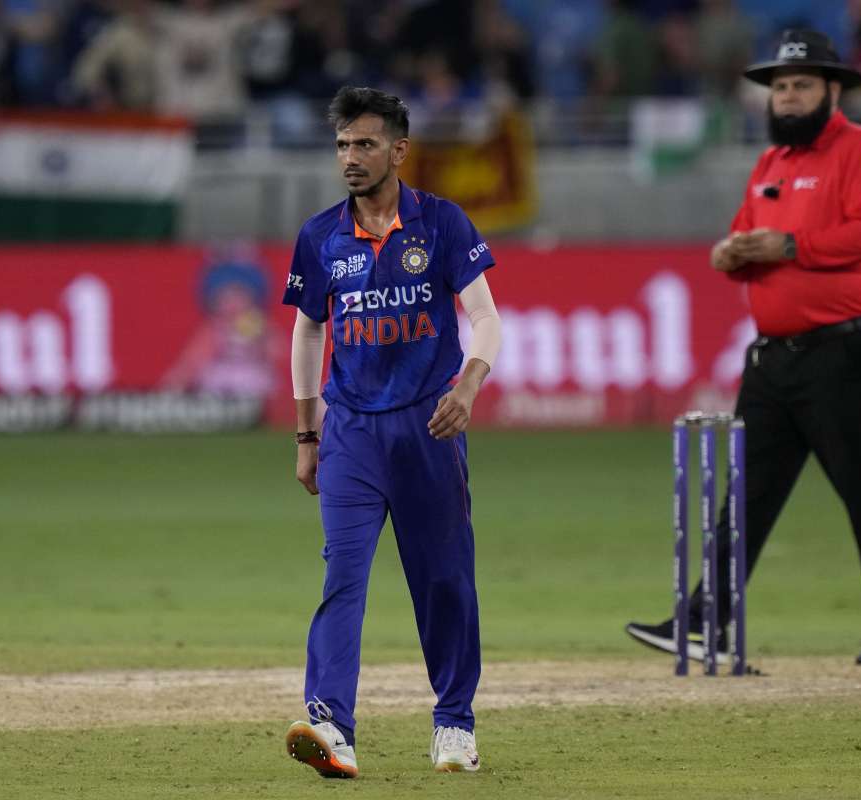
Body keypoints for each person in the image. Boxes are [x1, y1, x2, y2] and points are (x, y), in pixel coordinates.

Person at [626, 29, 861, 667]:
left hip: (841, 352)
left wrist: (790, 246)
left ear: (833, 91)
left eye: (802, 86)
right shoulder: (771, 163)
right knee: (746, 496)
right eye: (781, 87)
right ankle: (705, 623)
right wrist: (729, 254)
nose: (788, 97)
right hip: (772, 359)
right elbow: (745, 236)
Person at [282, 86, 502, 778]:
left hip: (428, 428)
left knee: (443, 581)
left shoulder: (441, 223)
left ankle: (454, 723)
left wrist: (468, 386)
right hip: (349, 432)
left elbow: (486, 318)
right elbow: (308, 330)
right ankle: (331, 726)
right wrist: (307, 435)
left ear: (399, 150)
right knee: (342, 578)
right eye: (342, 145)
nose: (350, 157)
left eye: (365, 144)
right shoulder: (320, 235)